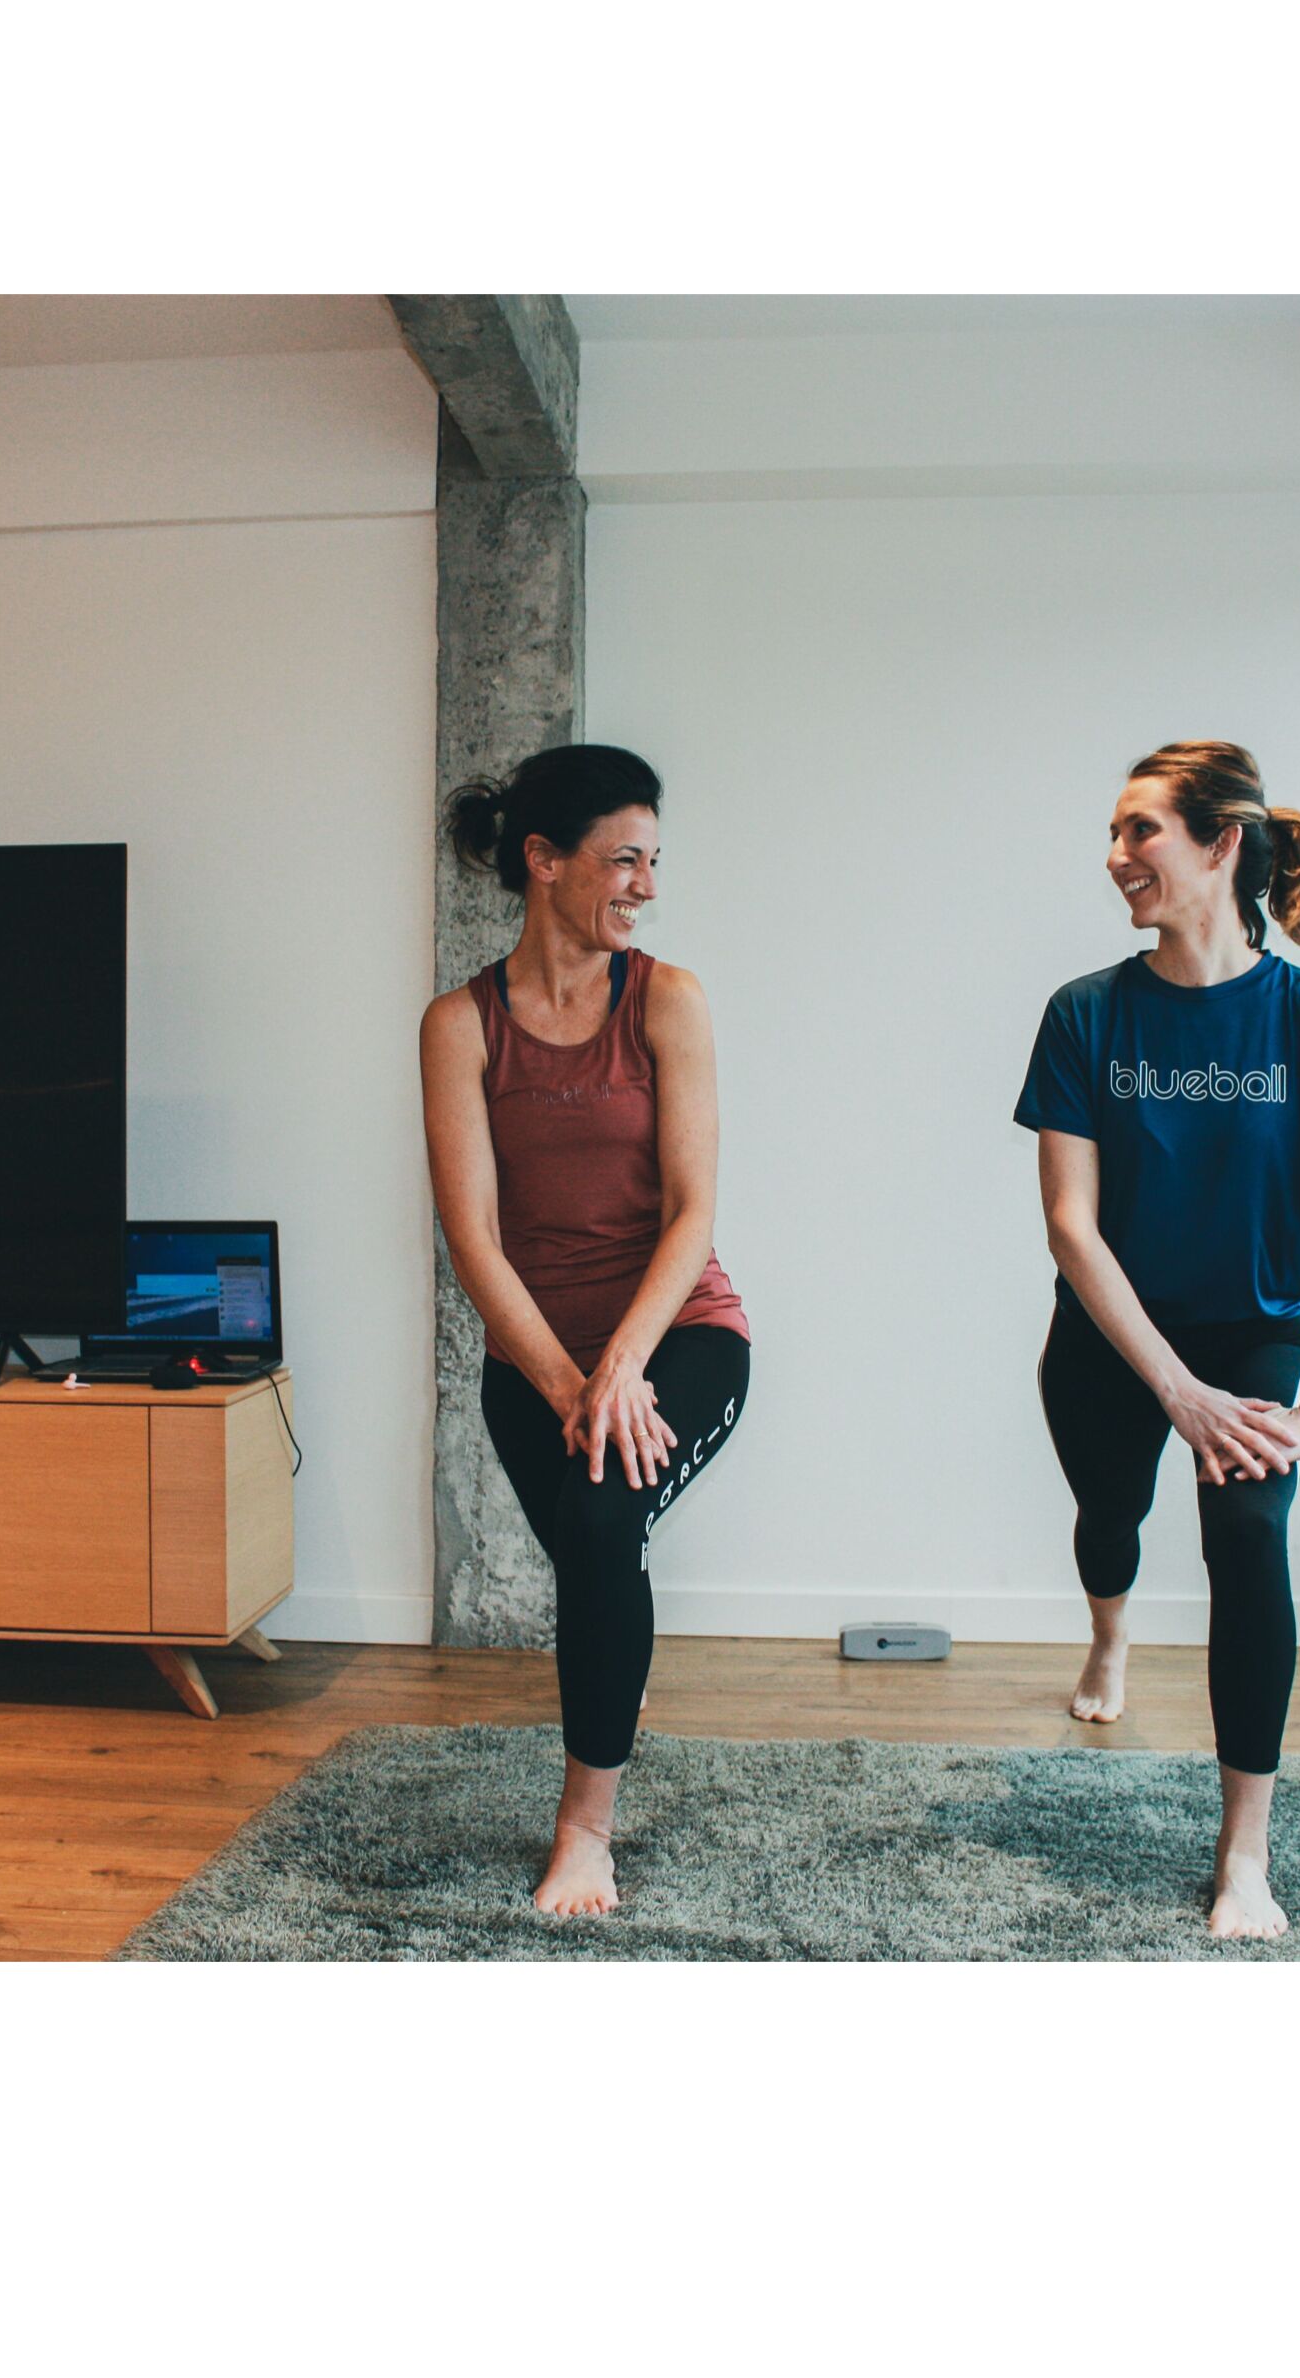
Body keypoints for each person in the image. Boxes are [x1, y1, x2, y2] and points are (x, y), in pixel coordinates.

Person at [1013, 740, 1300, 1940]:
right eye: (1117, 832)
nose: (1117, 855)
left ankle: (1244, 1852)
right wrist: (1171, 1389)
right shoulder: (1085, 1012)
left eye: (1142, 831)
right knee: (1110, 1515)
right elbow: (1072, 1230)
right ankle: (1111, 1635)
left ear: (1220, 843)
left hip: (1249, 1335)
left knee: (1245, 1536)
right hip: (1110, 1337)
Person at [420, 743, 751, 1917]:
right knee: (592, 1553)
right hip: (534, 1365)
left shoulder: (666, 998)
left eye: (652, 862)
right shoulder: (460, 1026)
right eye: (623, 860)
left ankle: (584, 1830)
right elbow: (474, 1243)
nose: (644, 886)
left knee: (603, 1523)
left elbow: (693, 1208)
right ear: (543, 861)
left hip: (679, 1334)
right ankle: (620, 1686)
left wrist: (622, 1371)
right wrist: (568, 1385)